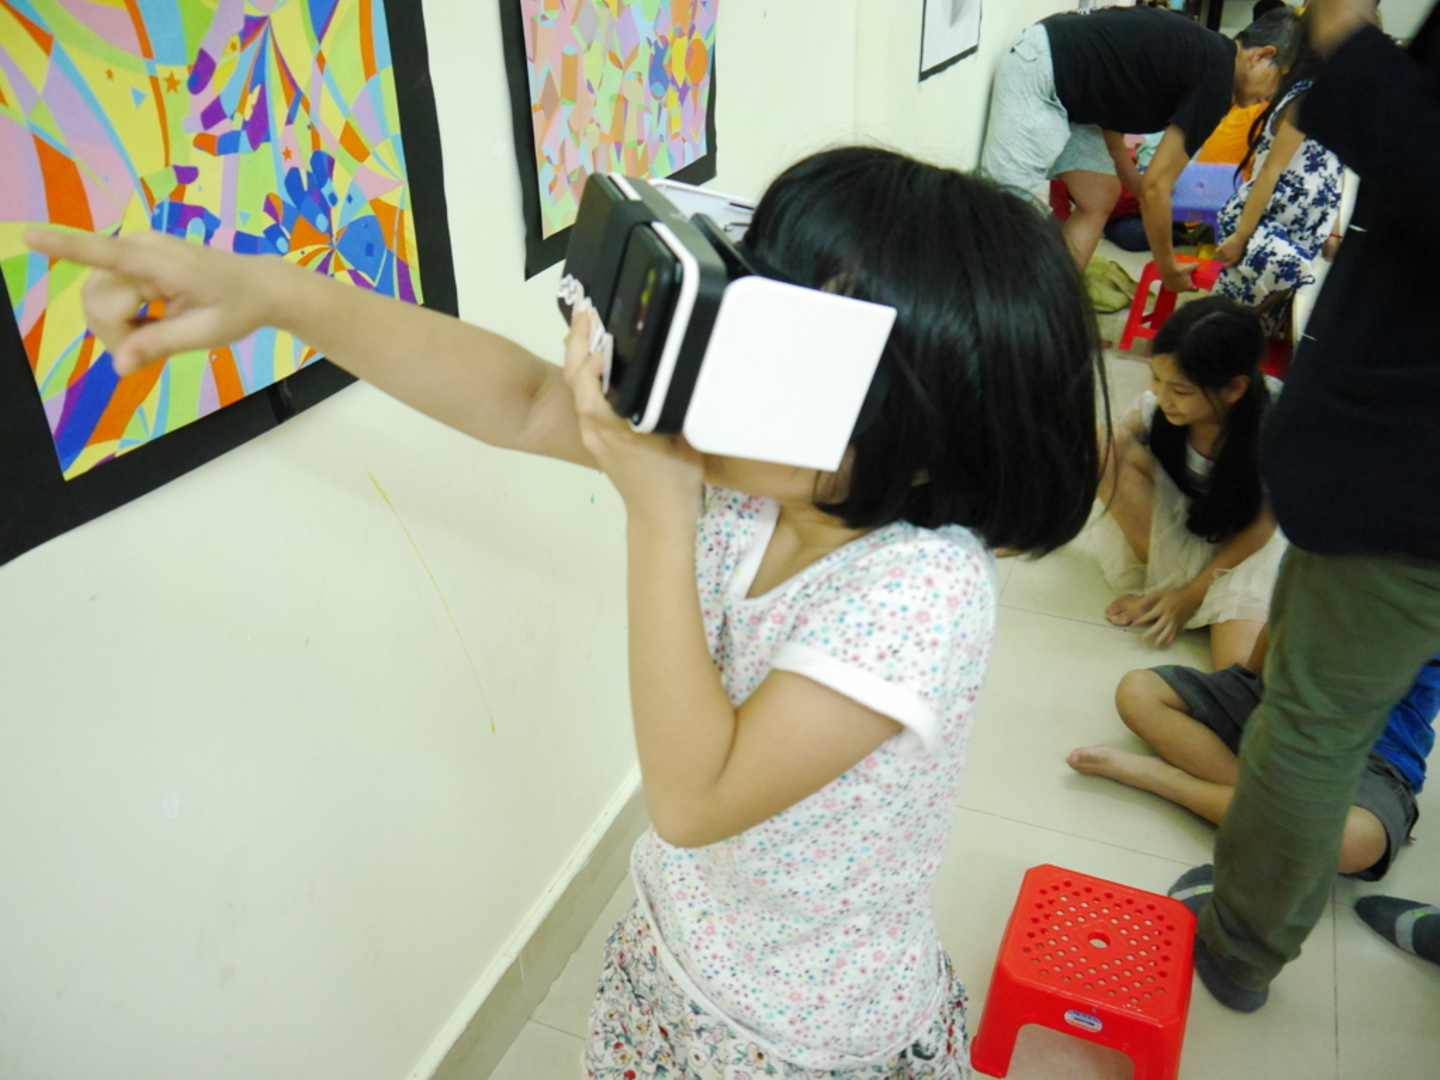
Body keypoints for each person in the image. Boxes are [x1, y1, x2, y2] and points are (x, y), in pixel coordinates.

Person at [25, 147, 1104, 1078]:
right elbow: (527, 400)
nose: (718, 371)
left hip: (798, 1036)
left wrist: (658, 513)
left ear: (917, 434)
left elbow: (696, 796)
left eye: (781, 358)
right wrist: (283, 298)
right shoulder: (759, 474)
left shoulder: (923, 591)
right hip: (677, 946)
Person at [1167, 0, 1440, 1014]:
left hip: (1396, 486)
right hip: (1358, 490)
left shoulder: (1293, 110)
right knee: (1267, 706)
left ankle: (1240, 943)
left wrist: (1351, 43)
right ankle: (1259, 830)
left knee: (1307, 735)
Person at [1068, 639, 1440, 880]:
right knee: (1138, 690)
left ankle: (1165, 780)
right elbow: (1274, 628)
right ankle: (1265, 811)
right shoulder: (1329, 550)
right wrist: (1249, 686)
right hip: (1278, 705)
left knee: (1352, 841)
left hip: (1372, 752)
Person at [980, 5, 1291, 281]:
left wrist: (1128, 174)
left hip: (1073, 88)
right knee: (1007, 215)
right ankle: (998, 319)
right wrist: (1167, 267)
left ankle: (1053, 305)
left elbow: (1116, 91)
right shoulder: (1216, 77)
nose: (1268, 98)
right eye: (1277, 84)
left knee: (1099, 198)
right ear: (1261, 56)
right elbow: (1156, 187)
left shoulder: (1206, 52)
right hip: (1043, 67)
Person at [1093, 295, 1285, 671]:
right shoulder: (1157, 407)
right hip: (1190, 526)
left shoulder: (1274, 423)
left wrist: (1191, 597)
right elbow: (1103, 452)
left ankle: (1192, 599)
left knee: (1238, 667)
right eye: (1156, 378)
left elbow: (1263, 526)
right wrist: (1036, 529)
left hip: (1247, 550)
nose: (1162, 397)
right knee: (1103, 443)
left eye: (1180, 391)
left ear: (1234, 389)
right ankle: (1170, 588)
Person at [1214, 29, 1345, 336]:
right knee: (1229, 320)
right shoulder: (1308, 96)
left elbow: (1333, 173)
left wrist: (1332, 231)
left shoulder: (1339, 102)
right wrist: (1241, 236)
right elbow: (1271, 171)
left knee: (1260, 328)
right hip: (1267, 223)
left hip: (1302, 231)